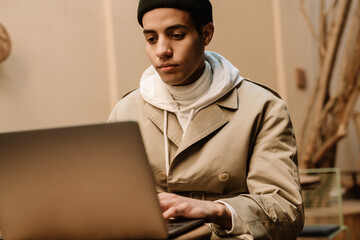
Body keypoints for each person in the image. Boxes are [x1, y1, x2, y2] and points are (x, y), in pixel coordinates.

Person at [108, 0, 304, 239]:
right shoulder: (126, 110)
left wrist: (216, 210)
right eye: (151, 39)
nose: (162, 50)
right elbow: (110, 203)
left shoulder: (262, 107)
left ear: (206, 34)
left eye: (176, 35)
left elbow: (286, 212)